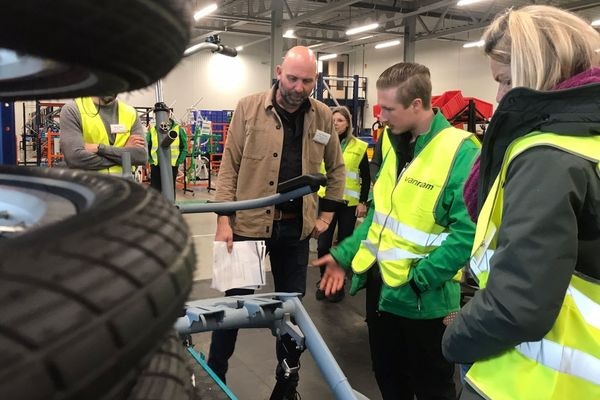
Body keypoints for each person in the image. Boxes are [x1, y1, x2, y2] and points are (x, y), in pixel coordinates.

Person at [441, 5, 600, 400]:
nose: (497, 97)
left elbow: (517, 306)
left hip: (528, 380)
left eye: (506, 80)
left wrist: (456, 338)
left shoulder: (546, 155)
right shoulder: (589, 145)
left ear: (539, 70)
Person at [313, 62, 480, 399]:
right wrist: (342, 255)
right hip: (382, 292)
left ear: (417, 105)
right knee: (389, 378)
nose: (382, 117)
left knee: (432, 386)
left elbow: (468, 233)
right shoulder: (390, 142)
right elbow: (380, 218)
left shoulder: (462, 150)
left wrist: (419, 280)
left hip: (424, 301)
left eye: (388, 109)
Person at [208, 45, 345, 399]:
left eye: (308, 81)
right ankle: (213, 375)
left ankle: (287, 385)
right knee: (231, 310)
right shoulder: (248, 108)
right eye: (292, 78)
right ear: (279, 72)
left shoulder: (323, 116)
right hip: (247, 226)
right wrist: (224, 218)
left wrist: (327, 213)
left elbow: (337, 168)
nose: (299, 87)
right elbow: (230, 166)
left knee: (292, 313)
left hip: (295, 229)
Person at [315, 106, 370, 302]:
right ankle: (323, 281)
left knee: (345, 244)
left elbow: (365, 175)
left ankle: (337, 284)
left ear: (348, 123)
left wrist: (363, 202)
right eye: (333, 120)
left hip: (348, 204)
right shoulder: (321, 141)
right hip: (326, 200)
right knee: (323, 244)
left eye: (340, 120)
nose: (336, 123)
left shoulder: (360, 146)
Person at [60, 95, 147, 174]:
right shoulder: (73, 110)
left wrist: (99, 148)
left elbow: (141, 156)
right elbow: (75, 159)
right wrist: (125, 155)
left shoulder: (130, 112)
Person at [146, 110, 188, 192]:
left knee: (170, 190)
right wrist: (150, 160)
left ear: (169, 114)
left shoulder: (178, 129)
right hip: (156, 165)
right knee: (155, 191)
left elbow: (184, 147)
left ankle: (169, 205)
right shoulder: (153, 130)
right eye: (157, 114)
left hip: (172, 165)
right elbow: (147, 146)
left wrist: (178, 161)